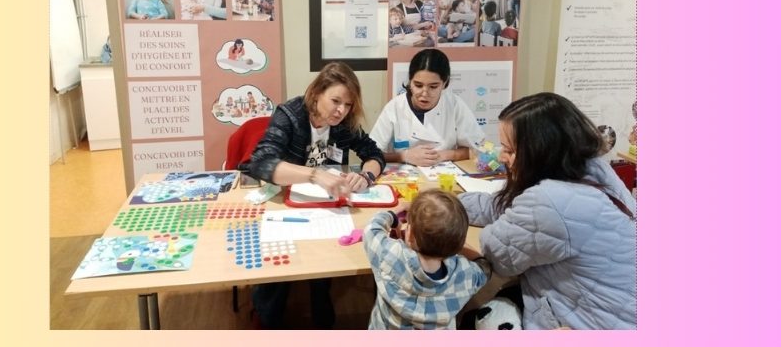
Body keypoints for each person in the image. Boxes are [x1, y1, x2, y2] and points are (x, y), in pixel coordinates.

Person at [459, 93, 637, 329]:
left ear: (540, 152)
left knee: (471, 317)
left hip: (594, 322)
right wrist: (452, 204)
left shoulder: (549, 200)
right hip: (618, 305)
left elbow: (498, 255)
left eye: (509, 150)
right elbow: (506, 207)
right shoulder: (591, 168)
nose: (501, 157)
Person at [244, 62, 385, 329]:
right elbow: (261, 162)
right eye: (335, 101)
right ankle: (267, 321)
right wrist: (314, 175)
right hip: (287, 205)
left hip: (325, 206)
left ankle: (322, 319)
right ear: (317, 93)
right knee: (278, 272)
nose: (341, 110)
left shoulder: (343, 124)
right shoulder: (290, 115)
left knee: (324, 267)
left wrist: (366, 176)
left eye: (348, 105)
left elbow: (374, 154)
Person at [364, 190, 489, 329]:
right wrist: (454, 241)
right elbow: (484, 268)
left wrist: (393, 215)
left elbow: (372, 228)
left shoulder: (389, 254)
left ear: (410, 235)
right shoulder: (465, 274)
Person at [370, 48, 484, 167]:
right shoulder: (395, 107)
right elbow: (371, 152)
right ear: (410, 81)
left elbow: (476, 149)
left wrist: (443, 155)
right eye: (418, 85)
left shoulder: (454, 105)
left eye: (433, 87)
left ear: (445, 83)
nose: (424, 93)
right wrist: (404, 156)